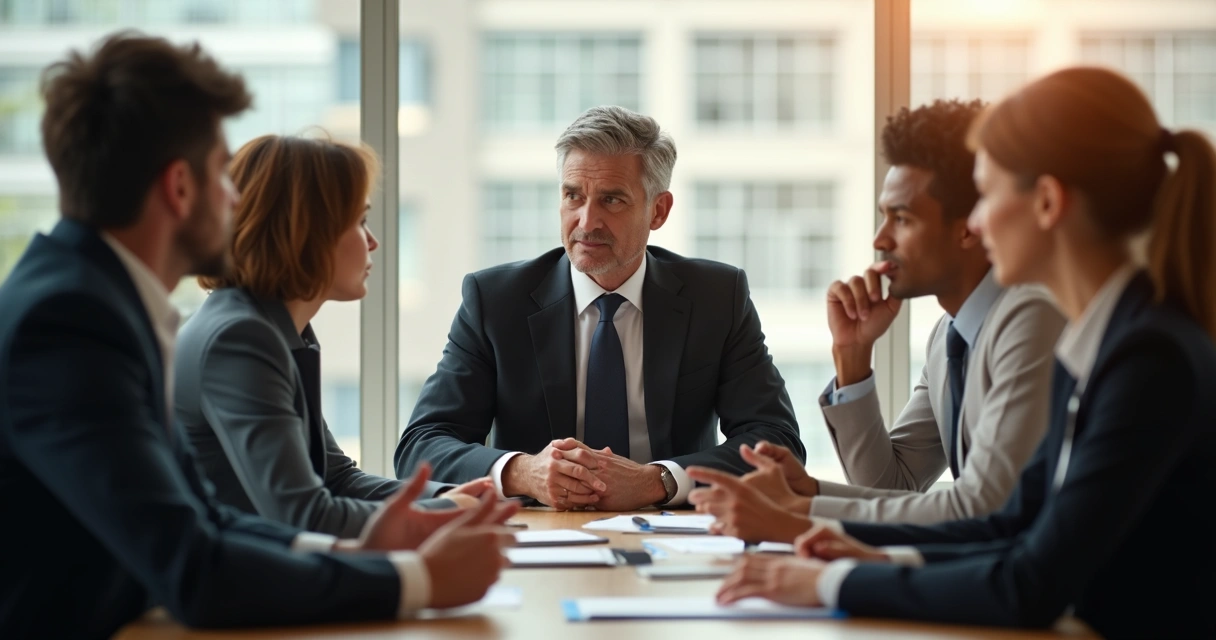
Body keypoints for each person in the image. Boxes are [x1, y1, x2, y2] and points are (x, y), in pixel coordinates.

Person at [0, 33, 516, 639]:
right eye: (224, 173)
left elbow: (205, 519)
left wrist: (364, 552)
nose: (235, 199)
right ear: (180, 187)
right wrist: (416, 581)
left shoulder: (97, 302)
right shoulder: (69, 323)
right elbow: (195, 568)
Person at [712, 67, 1216, 639]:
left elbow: (1030, 579)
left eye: (989, 194)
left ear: (1047, 202)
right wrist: (878, 560)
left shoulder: (1147, 356)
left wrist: (829, 580)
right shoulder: (1103, 340)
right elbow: (1015, 524)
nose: (978, 220)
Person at [687, 100, 1065, 540]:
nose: (880, 239)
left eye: (901, 219)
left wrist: (804, 511)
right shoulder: (950, 336)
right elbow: (893, 486)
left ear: (969, 227)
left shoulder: (1030, 317)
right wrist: (852, 358)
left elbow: (984, 506)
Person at [394, 105, 803, 511]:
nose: (587, 221)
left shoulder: (716, 296)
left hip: (674, 538)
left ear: (657, 210)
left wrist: (657, 481)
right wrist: (524, 472)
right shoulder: (496, 300)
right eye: (573, 196)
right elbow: (421, 445)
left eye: (612, 200)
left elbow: (776, 442)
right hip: (537, 538)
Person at [174, 134, 492, 538]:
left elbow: (337, 478)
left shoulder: (275, 329)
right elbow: (303, 515)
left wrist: (462, 496)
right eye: (359, 222)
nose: (373, 242)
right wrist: (445, 509)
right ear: (307, 233)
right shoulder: (240, 338)